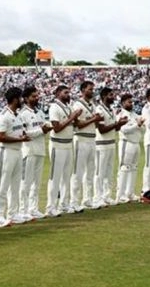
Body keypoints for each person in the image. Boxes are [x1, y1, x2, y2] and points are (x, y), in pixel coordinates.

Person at [0, 87, 31, 227]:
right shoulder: (4, 115)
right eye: (21, 98)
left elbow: (17, 133)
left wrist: (22, 137)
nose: (22, 100)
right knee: (3, 185)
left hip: (17, 151)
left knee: (15, 185)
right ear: (15, 99)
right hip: (6, 152)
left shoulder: (17, 115)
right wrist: (20, 140)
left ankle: (13, 213)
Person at [45, 86, 82, 217]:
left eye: (69, 92)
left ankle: (64, 204)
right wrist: (72, 117)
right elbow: (56, 128)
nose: (68, 94)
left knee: (66, 176)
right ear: (57, 93)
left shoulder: (69, 107)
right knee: (55, 177)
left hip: (68, 144)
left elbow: (76, 123)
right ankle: (51, 207)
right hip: (57, 145)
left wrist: (77, 116)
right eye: (65, 92)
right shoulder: (54, 107)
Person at [19, 86, 53, 219]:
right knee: (26, 182)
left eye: (37, 95)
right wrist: (41, 130)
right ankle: (23, 210)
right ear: (26, 98)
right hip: (28, 151)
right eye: (33, 96)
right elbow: (23, 133)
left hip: (40, 150)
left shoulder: (39, 112)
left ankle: (33, 208)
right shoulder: (23, 114)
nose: (36, 98)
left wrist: (48, 127)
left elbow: (44, 125)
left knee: (36, 182)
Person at [93, 87, 128, 208]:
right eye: (110, 95)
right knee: (100, 172)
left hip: (111, 143)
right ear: (104, 96)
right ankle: (97, 198)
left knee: (109, 172)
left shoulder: (111, 110)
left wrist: (120, 124)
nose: (113, 97)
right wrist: (117, 124)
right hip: (101, 144)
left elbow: (116, 128)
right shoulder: (99, 109)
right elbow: (102, 130)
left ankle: (107, 196)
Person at [71, 81, 102, 212]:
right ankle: (74, 201)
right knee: (78, 172)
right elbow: (77, 124)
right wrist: (94, 120)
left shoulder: (92, 105)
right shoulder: (77, 105)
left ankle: (87, 199)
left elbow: (92, 123)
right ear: (83, 90)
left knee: (90, 172)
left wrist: (95, 120)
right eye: (90, 89)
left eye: (93, 89)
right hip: (81, 139)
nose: (92, 91)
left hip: (91, 139)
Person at [115, 93, 144, 203]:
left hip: (136, 143)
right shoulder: (121, 115)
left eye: (132, 102)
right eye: (129, 102)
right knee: (124, 168)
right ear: (123, 103)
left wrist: (139, 126)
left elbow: (142, 128)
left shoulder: (135, 115)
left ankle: (130, 192)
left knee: (134, 168)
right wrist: (137, 125)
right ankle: (120, 194)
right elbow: (124, 130)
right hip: (126, 143)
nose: (131, 104)